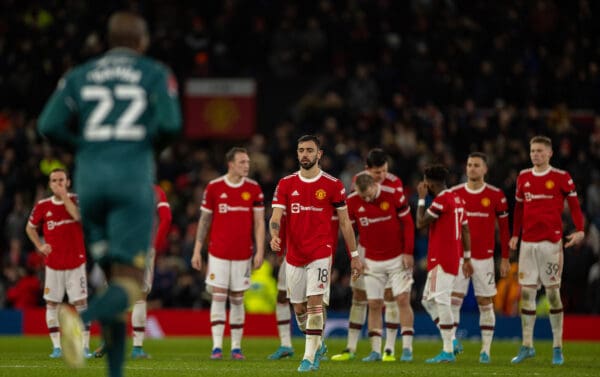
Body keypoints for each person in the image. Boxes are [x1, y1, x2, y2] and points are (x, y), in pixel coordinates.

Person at [37, 10, 182, 376]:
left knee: (113, 281)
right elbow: (170, 124)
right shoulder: (154, 72)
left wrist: (83, 147)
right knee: (130, 284)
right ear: (142, 41)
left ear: (108, 41)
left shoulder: (79, 74)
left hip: (90, 184)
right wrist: (146, 147)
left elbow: (48, 124)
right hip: (131, 183)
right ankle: (80, 314)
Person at [270, 134, 364, 372]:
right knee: (299, 308)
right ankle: (318, 343)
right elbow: (276, 216)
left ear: (319, 154)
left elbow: (345, 223)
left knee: (314, 304)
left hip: (321, 252)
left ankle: (308, 358)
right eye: (301, 150)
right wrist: (274, 234)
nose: (305, 154)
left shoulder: (332, 185)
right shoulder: (286, 184)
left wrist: (354, 256)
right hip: (294, 254)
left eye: (310, 150)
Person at [509, 135, 585, 366]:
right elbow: (519, 209)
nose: (535, 154)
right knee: (526, 294)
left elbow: (574, 205)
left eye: (540, 151)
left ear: (550, 153)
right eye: (533, 151)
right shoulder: (523, 177)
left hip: (551, 244)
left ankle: (557, 347)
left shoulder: (561, 177)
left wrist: (580, 229)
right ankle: (527, 346)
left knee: (552, 294)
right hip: (528, 244)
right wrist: (514, 235)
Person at [332, 148, 406, 362]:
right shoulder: (358, 183)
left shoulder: (395, 184)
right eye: (376, 173)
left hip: (391, 251)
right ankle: (351, 348)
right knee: (359, 296)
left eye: (384, 171)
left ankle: (389, 349)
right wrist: (354, 254)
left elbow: (402, 221)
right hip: (365, 249)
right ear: (367, 171)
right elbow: (350, 219)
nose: (381, 176)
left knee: (390, 298)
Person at [191, 147, 265, 360]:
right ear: (230, 164)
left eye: (248, 162)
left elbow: (259, 223)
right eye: (242, 162)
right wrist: (197, 251)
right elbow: (204, 221)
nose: (247, 166)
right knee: (218, 296)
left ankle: (236, 347)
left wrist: (260, 250)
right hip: (218, 253)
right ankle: (216, 347)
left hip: (243, 254)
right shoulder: (214, 187)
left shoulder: (254, 188)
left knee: (237, 299)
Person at [94, 184, 172, 359]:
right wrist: (155, 246)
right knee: (140, 297)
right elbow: (166, 218)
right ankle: (137, 348)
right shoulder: (155, 191)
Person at [346, 173, 415, 362]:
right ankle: (375, 351)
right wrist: (357, 257)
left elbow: (408, 223)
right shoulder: (352, 202)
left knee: (402, 299)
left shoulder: (393, 194)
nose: (367, 199)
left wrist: (408, 252)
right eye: (363, 196)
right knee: (374, 304)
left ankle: (407, 348)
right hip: (372, 260)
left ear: (375, 185)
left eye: (369, 194)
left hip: (397, 258)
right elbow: (349, 231)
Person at [449, 152, 510, 363]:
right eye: (469, 165)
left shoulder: (495, 195)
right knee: (453, 300)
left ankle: (486, 350)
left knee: (485, 302)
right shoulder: (454, 193)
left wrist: (505, 258)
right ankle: (451, 345)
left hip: (484, 257)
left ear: (485, 169)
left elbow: (504, 229)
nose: (472, 168)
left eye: (476, 165)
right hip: (458, 257)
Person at [25, 168, 92, 359]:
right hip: (53, 264)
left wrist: (64, 198)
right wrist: (39, 245)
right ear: (49, 184)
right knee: (51, 304)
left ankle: (84, 347)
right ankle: (56, 348)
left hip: (75, 262)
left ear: (68, 182)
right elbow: (29, 228)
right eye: (54, 181)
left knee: (81, 303)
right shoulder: (42, 206)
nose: (58, 184)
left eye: (61, 180)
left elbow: (78, 217)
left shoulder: (77, 200)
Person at [416, 164, 473, 363]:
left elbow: (420, 222)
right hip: (453, 256)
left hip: (442, 257)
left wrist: (421, 198)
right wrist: (466, 257)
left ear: (430, 184)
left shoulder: (441, 201)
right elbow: (465, 230)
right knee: (427, 300)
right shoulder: (457, 199)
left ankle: (448, 350)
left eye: (425, 183)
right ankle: (452, 341)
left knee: (440, 300)